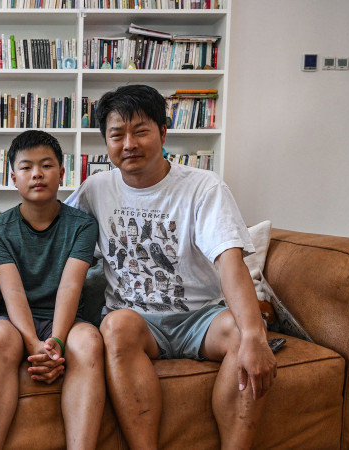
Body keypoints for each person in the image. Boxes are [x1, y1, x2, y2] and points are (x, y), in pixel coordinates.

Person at [65, 84, 277, 449]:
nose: (128, 143)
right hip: (135, 321)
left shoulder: (203, 187)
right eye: (117, 135)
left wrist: (256, 335)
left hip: (201, 318)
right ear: (106, 142)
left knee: (243, 334)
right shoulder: (95, 189)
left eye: (141, 131)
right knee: (115, 326)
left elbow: (230, 262)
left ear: (163, 133)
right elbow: (54, 236)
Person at [0, 130, 104, 449]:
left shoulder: (83, 225)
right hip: (14, 320)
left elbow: (71, 285)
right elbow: (12, 291)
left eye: (46, 165)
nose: (37, 174)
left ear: (62, 173)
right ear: (13, 177)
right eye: (27, 166)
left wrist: (56, 341)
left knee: (88, 343)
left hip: (68, 318)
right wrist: (33, 343)